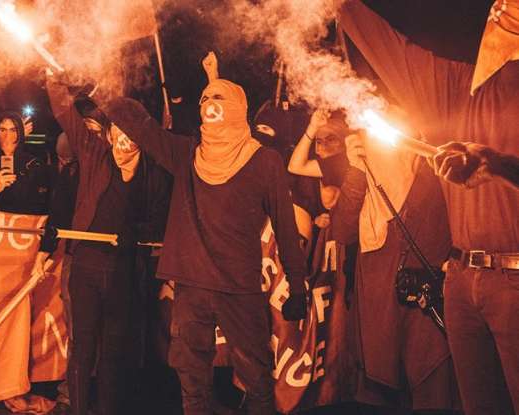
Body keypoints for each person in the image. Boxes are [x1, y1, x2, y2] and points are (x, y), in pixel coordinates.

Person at [97, 52, 308, 415]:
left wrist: (298, 285)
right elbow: (143, 127)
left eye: (218, 97)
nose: (209, 102)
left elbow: (286, 228)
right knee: (192, 381)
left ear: (238, 107)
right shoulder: (186, 154)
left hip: (238, 287)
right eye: (205, 98)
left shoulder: (265, 161)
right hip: (192, 287)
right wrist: (102, 91)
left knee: (256, 379)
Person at [339, 1, 519, 413]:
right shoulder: (456, 87)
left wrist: (499, 165)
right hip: (461, 282)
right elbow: (389, 46)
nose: (499, 10)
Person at [46, 73, 171, 415]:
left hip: (122, 271)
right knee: (83, 347)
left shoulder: (152, 172)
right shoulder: (93, 151)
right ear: (111, 131)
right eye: (119, 130)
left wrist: (136, 233)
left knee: (114, 352)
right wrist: (57, 81)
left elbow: (158, 219)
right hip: (86, 266)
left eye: (133, 134)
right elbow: (63, 110)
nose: (124, 140)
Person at [330, 115, 460, 412]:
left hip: (425, 313)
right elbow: (343, 231)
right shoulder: (365, 179)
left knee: (432, 393)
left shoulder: (433, 175)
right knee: (380, 392)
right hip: (378, 311)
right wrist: (355, 171)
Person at [29, 132, 79, 415]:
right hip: (81, 257)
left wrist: (44, 252)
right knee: (81, 332)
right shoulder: (71, 174)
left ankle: (75, 395)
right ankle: (74, 394)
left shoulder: (76, 172)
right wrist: (44, 251)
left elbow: (58, 214)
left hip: (94, 259)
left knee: (82, 332)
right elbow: (59, 215)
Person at [0, 112, 51, 214]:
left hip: (22, 222)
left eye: (13, 130)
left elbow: (41, 205)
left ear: (20, 133)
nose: (7, 136)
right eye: (2, 130)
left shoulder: (33, 164)